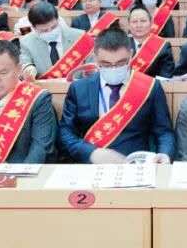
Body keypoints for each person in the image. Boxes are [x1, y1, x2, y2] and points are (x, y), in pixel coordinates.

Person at [58, 28, 175, 163]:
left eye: (121, 63)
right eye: (106, 64)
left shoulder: (150, 87)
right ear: (95, 58)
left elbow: (164, 132)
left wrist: (165, 154)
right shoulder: (79, 88)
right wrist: (91, 153)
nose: (114, 68)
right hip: (91, 163)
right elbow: (65, 133)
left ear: (131, 54)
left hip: (135, 164)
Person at [18, 1, 86, 79]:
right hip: (45, 85)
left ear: (58, 20)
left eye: (54, 27)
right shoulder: (26, 42)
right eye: (44, 30)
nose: (50, 32)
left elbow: (92, 66)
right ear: (34, 28)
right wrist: (28, 69)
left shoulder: (79, 36)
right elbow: (25, 63)